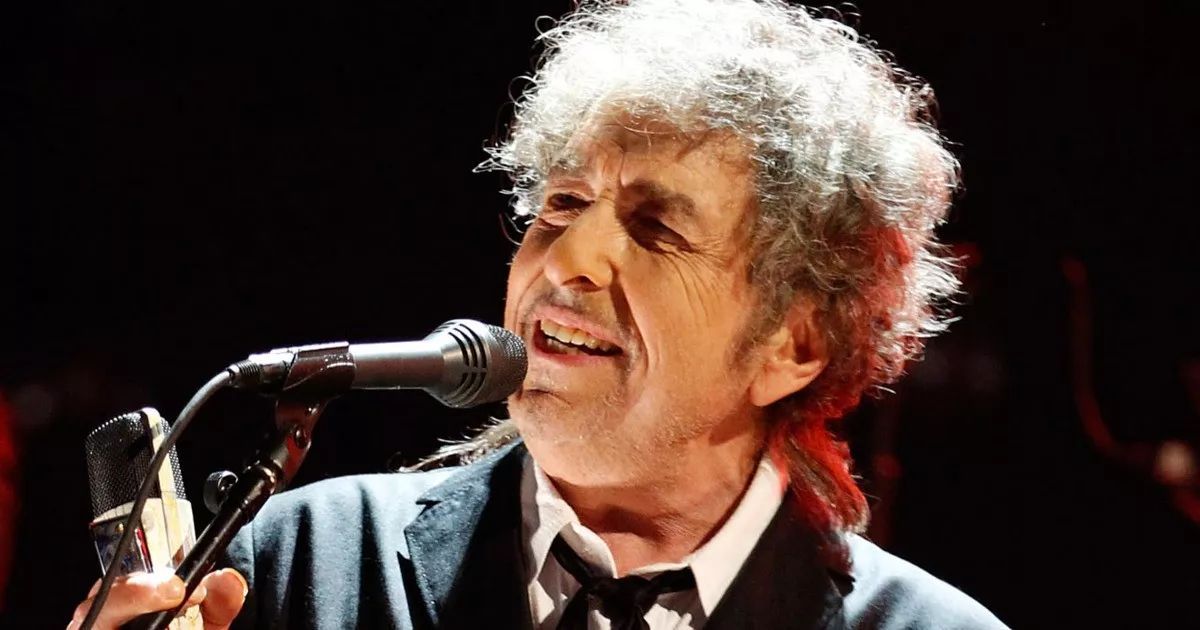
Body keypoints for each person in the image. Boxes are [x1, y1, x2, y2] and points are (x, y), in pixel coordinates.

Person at [69, 1, 1008, 628]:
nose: (564, 259)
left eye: (656, 227)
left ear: (792, 343)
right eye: (560, 204)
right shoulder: (292, 568)